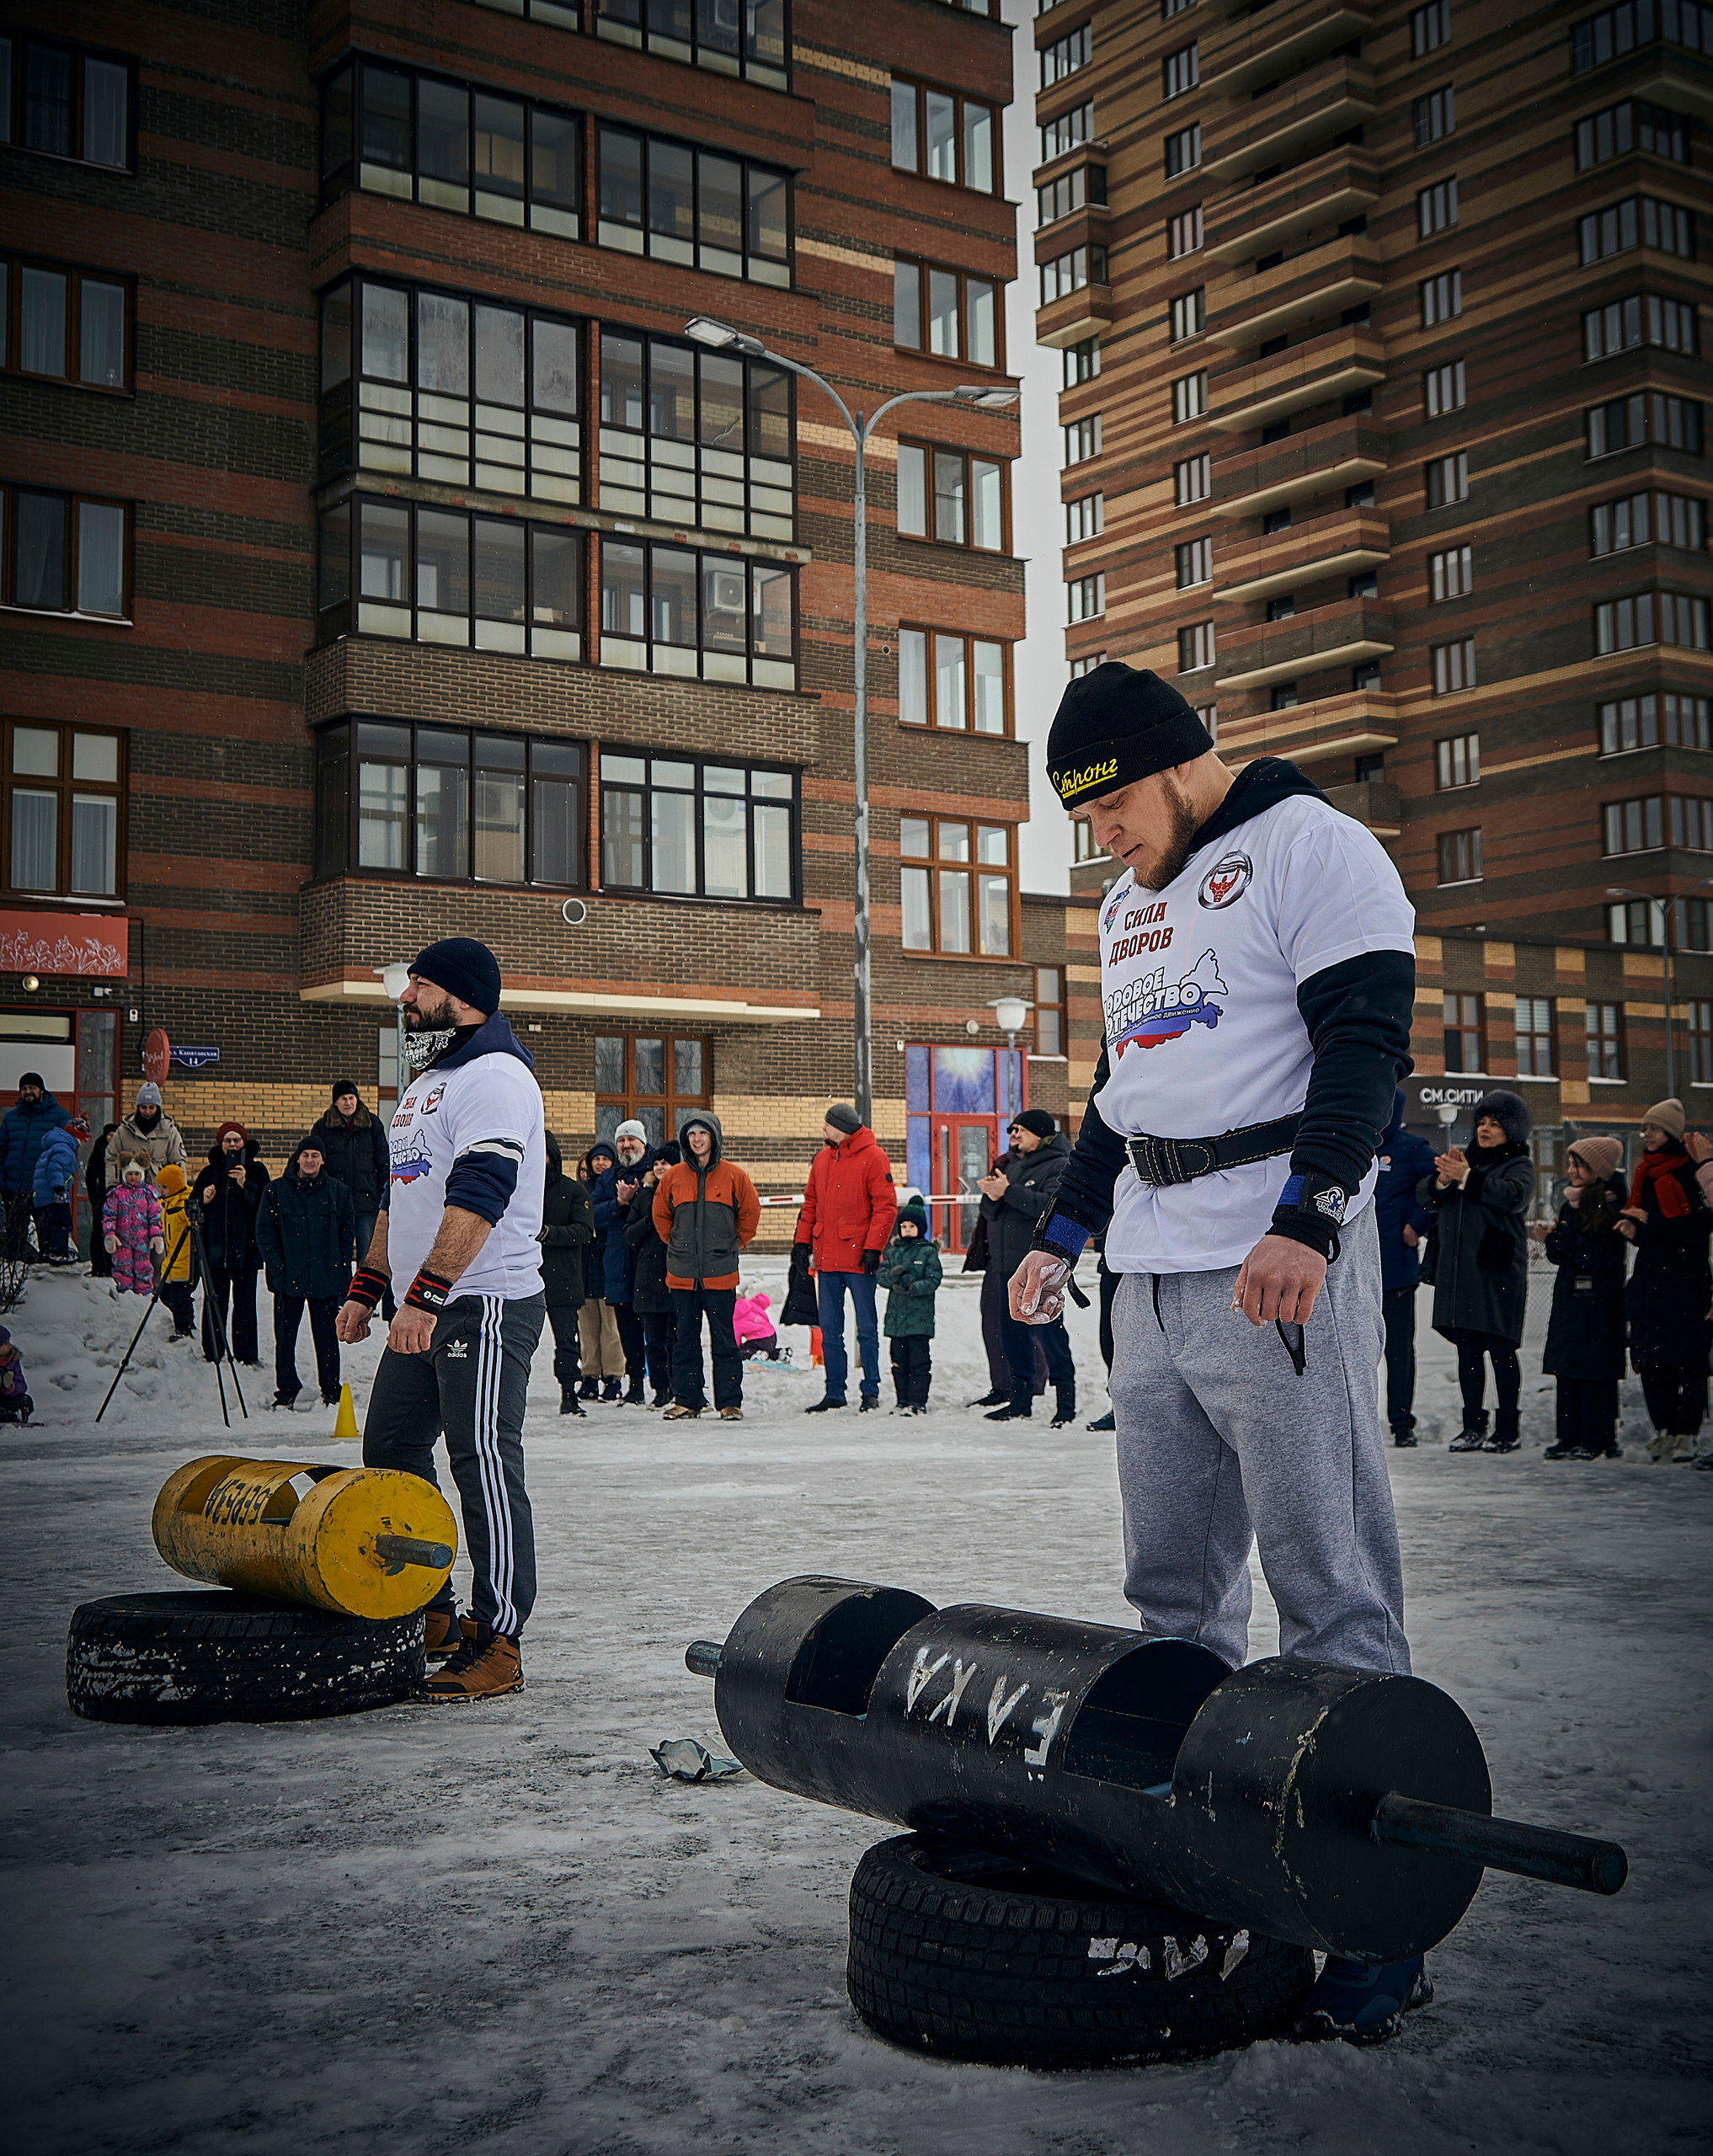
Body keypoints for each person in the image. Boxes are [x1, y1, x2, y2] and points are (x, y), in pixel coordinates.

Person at [1006, 663, 1420, 2043]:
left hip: (1272, 1256)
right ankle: (1193, 1860)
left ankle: (1372, 1917)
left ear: (1181, 763)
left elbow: (1363, 1047)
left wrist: (1309, 1217)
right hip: (1150, 1264)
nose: (1101, 837)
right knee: (1172, 1592)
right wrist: (1063, 1232)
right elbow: (1119, 1092)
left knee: (1326, 1583)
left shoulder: (1313, 848)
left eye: (1111, 805)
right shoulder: (1126, 903)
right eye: (1084, 817)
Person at [337, 937, 547, 1703]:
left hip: (483, 1302)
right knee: (391, 1447)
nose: (405, 999)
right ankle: (431, 1606)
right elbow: (401, 1195)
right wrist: (370, 1285)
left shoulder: (498, 1077)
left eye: (418, 986)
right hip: (423, 1303)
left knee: (482, 1460)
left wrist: (425, 1295)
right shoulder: (427, 1083)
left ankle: (499, 1640)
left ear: (461, 998)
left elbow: (482, 1192)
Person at [1419, 1091, 1534, 1454]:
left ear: (1512, 1130)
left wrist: (1468, 1177)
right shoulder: (1465, 1162)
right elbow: (1426, 1198)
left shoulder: (1519, 1164)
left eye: (1495, 1124)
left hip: (1497, 1274)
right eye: (1482, 1122)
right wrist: (1444, 1179)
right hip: (1462, 1276)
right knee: (1468, 1353)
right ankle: (1473, 1427)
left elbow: (1513, 1196)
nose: (1485, 1129)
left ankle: (1508, 1429)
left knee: (1501, 1351)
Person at [1618, 1097, 1711, 1462]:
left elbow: (1697, 1229)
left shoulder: (1690, 1173)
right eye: (1645, 1128)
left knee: (1686, 1361)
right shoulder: (1646, 1172)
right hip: (1651, 1281)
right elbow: (1653, 1233)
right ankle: (1665, 1430)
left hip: (1686, 1283)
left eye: (1654, 1128)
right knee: (1653, 1361)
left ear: (1671, 1133)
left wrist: (1649, 1221)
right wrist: (1635, 1230)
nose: (1647, 1134)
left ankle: (1686, 1433)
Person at [653, 1111, 759, 1421]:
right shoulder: (673, 1177)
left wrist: (731, 1244)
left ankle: (729, 1402)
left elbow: (750, 1215)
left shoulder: (734, 1176)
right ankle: (688, 1400)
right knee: (684, 1341)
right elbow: (661, 1216)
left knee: (724, 1340)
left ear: (714, 1138)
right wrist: (677, 1244)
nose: (697, 1139)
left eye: (703, 1133)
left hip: (720, 1274)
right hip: (682, 1274)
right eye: (692, 1134)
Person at [978, 1107, 1078, 1426]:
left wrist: (1008, 1191)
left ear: (1040, 1134)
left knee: (1050, 1334)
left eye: (1019, 1130)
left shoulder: (1059, 1164)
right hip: (1006, 1264)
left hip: (1039, 1266)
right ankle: (1019, 1401)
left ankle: (1066, 1403)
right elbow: (992, 1213)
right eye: (1011, 1130)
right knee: (1013, 1335)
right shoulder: (1013, 1164)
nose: (1013, 1135)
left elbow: (1047, 1207)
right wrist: (994, 1195)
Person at [796, 1102, 897, 1414]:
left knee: (866, 1328)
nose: (823, 1128)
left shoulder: (874, 1157)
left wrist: (873, 1248)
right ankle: (834, 1391)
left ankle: (871, 1390)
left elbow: (885, 1206)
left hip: (859, 1259)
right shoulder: (822, 1159)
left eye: (827, 1124)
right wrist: (801, 1243)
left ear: (840, 1128)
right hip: (826, 1258)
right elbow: (810, 1203)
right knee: (829, 1329)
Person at [1532, 1135, 1628, 1460]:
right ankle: (1569, 1435)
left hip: (1599, 1303)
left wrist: (1567, 1239)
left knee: (1594, 1373)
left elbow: (1600, 1257)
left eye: (1579, 1165)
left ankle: (1598, 1437)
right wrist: (1552, 1239)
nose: (1571, 1170)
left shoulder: (1611, 1206)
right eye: (1570, 1163)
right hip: (1571, 1301)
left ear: (1598, 1169)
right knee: (1568, 1370)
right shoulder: (1569, 1204)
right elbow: (1561, 1254)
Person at [258, 1137, 355, 1408]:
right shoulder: (276, 1191)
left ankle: (331, 1389)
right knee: (285, 1339)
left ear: (322, 1160)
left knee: (327, 1339)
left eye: (315, 1155)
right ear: (297, 1158)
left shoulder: (338, 1192)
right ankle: (287, 1389)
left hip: (325, 1278)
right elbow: (265, 1234)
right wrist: (278, 1269)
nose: (310, 1160)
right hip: (288, 1279)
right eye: (306, 1155)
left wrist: (341, 1267)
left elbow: (347, 1234)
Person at [1374, 1091, 1436, 1448]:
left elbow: (1441, 1188)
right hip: (1352, 1274)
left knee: (1398, 1351)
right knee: (1353, 1354)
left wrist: (1418, 1222)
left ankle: (1401, 1423)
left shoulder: (1413, 1149)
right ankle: (1358, 1423)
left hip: (1395, 1270)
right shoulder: (1354, 1145)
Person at [315, 1081, 394, 1320]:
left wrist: (384, 1196)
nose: (348, 1102)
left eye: (351, 1098)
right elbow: (318, 1166)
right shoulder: (323, 1126)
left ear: (357, 1100)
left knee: (369, 1253)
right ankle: (343, 1297)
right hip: (336, 1203)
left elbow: (383, 1163)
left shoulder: (372, 1124)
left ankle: (367, 1298)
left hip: (367, 1202)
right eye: (343, 1099)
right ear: (335, 1102)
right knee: (339, 1252)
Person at [194, 1123, 268, 1367]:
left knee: (245, 1304)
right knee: (215, 1301)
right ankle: (213, 1352)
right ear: (220, 1144)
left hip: (247, 1251)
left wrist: (246, 1185)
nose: (232, 1145)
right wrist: (203, 1200)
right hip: (215, 1250)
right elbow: (191, 1208)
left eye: (237, 1140)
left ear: (244, 1143)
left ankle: (246, 1354)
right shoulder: (208, 1172)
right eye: (228, 1141)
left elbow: (267, 1207)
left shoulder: (257, 1170)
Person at [539, 1132, 594, 1416]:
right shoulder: (520, 1187)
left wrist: (549, 1233)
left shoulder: (573, 1191)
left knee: (567, 1341)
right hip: (524, 1277)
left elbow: (584, 1230)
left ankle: (569, 1392)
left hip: (563, 1278)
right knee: (515, 1340)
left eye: (544, 1154)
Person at [624, 1140, 680, 1405]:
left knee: (677, 1339)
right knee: (654, 1341)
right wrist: (650, 1221)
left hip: (677, 1274)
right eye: (656, 1163)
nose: (659, 1167)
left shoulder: (683, 1193)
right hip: (648, 1276)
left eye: (665, 1163)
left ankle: (682, 1387)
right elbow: (629, 1234)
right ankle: (661, 1389)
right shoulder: (644, 1196)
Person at [878, 1195, 942, 1412]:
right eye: (904, 1226)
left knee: (919, 1363)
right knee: (899, 1362)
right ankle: (902, 1400)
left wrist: (915, 1288)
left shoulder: (927, 1252)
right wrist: (892, 1277)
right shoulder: (893, 1253)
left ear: (920, 1228)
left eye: (911, 1226)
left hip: (919, 1320)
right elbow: (881, 1276)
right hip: (897, 1320)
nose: (907, 1230)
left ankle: (917, 1401)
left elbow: (934, 1279)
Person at [1, 1073, 69, 1259]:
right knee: (15, 1239)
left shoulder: (59, 1116)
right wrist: (2, 1184)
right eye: (24, 1088)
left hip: (44, 1189)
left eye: (32, 1088)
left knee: (47, 1237)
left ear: (41, 1090)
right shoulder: (11, 1118)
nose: (28, 1092)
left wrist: (59, 1182)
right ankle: (17, 1274)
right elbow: (2, 1151)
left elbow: (67, 1151)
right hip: (14, 1188)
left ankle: (46, 1273)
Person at [576, 1139, 624, 1400]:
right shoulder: (581, 1190)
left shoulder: (618, 1187)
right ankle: (590, 1375)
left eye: (605, 1159)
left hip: (609, 1266)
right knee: (587, 1327)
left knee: (611, 1328)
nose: (600, 1163)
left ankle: (613, 1376)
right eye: (596, 1159)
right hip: (585, 1266)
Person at [32, 1113, 88, 1266]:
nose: (82, 1143)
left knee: (46, 1225)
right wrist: (59, 1189)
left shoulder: (55, 1146)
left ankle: (46, 1251)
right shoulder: (65, 1149)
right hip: (54, 1195)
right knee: (62, 1222)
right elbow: (55, 1169)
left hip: (42, 1196)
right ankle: (58, 1252)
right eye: (82, 1139)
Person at [104, 1155, 163, 1296]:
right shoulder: (117, 1194)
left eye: (137, 1174)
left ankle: (143, 1293)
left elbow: (155, 1216)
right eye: (130, 1174)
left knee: (143, 1267)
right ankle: (125, 1294)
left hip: (142, 1240)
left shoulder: (148, 1194)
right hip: (122, 1240)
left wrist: (156, 1235)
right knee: (123, 1267)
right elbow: (109, 1215)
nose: (133, 1177)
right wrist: (110, 1234)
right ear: (124, 1175)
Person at [153, 1162, 198, 1341]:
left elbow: (196, 1226)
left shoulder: (185, 1202)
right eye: (160, 1187)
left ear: (174, 1185)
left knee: (180, 1297)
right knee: (165, 1294)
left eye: (165, 1187)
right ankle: (183, 1320)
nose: (161, 1191)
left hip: (186, 1261)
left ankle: (184, 1329)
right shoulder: (167, 1203)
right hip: (171, 1258)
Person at [104, 1081, 186, 1179]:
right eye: (143, 1107)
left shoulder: (169, 1131)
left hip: (160, 1185)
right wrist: (112, 1184)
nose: (147, 1111)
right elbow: (111, 1158)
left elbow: (178, 1162)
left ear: (157, 1108)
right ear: (138, 1107)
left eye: (151, 1107)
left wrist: (180, 1186)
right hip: (131, 1185)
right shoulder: (124, 1130)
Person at [87, 1121, 118, 1276]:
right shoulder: (99, 1149)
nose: (111, 1138)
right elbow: (90, 1176)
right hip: (101, 1197)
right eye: (109, 1135)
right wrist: (95, 1199)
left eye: (114, 1135)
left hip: (117, 1198)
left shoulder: (120, 1150)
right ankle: (99, 1266)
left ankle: (113, 1266)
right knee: (99, 1232)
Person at [733, 1288, 781, 1361]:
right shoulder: (751, 1303)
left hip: (758, 1340)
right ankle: (778, 1354)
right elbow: (764, 1300)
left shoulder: (734, 1317)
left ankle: (756, 1354)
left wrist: (735, 1347)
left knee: (742, 1352)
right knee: (768, 1349)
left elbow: (735, 1337)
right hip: (772, 1335)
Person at [0, 1326, 33, 1425]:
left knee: (25, 1400)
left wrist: (10, 1387)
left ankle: (15, 1415)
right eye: (5, 1344)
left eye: (9, 1342)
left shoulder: (12, 1362)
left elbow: (22, 1385)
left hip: (6, 1400)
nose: (9, 1346)